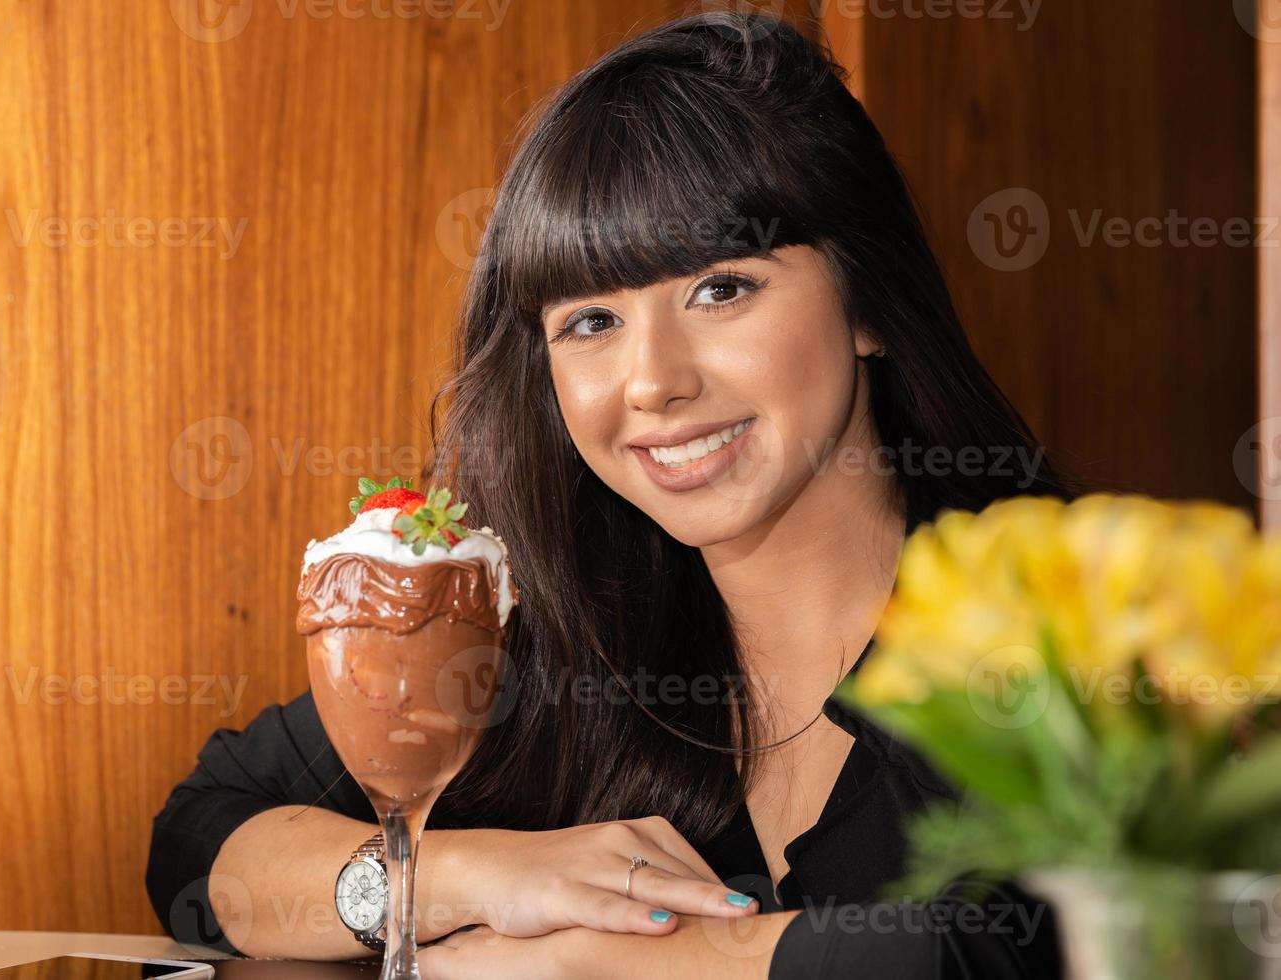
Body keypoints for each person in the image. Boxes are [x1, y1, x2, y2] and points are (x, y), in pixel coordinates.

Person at [146, 10, 1072, 978]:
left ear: (869, 300)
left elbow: (1003, 949)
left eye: (721, 289)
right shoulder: (561, 630)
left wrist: (592, 960)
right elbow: (202, 832)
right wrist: (465, 878)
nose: (651, 381)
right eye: (591, 318)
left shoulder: (1069, 607)